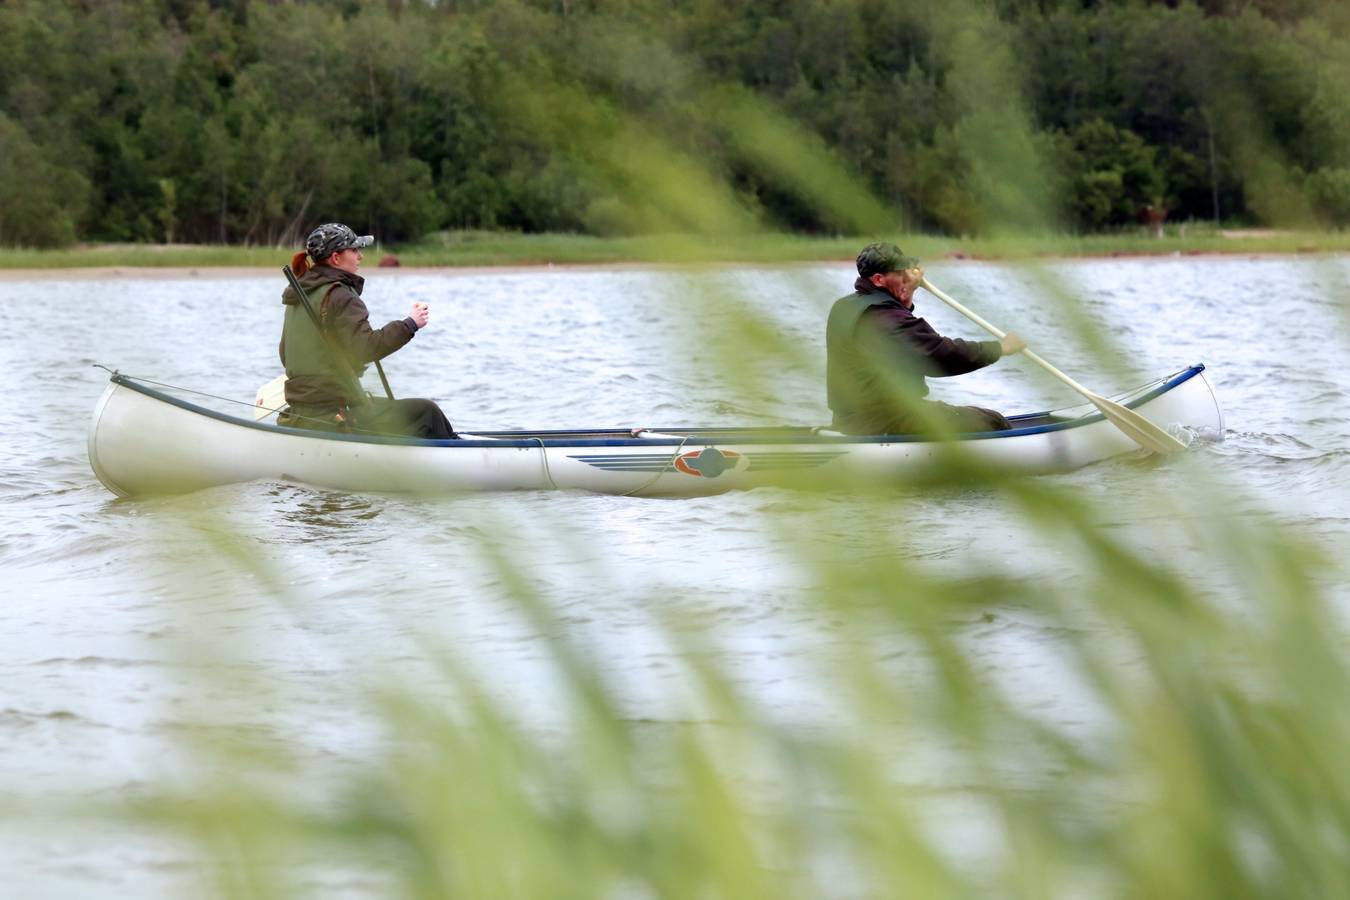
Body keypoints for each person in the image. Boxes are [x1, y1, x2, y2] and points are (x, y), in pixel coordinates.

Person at [278, 222, 458, 439]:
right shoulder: (341, 295)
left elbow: (286, 354)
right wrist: (410, 324)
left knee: (396, 409)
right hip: (335, 413)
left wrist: (348, 365)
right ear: (336, 258)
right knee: (427, 413)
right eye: (354, 250)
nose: (360, 257)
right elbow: (367, 348)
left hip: (303, 413)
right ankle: (457, 459)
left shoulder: (299, 295)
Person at [826, 242, 1026, 436]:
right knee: (993, 422)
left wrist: (908, 291)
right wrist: (999, 348)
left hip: (852, 419)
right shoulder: (883, 317)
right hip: (886, 419)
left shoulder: (845, 306)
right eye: (900, 273)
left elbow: (899, 322)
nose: (907, 276)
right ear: (879, 279)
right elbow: (938, 355)